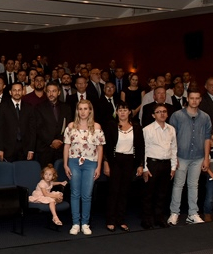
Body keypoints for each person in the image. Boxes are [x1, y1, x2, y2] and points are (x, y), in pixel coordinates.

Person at [168, 88, 212, 225]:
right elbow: (171, 138)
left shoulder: (205, 117)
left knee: (194, 185)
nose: (194, 101)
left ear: (200, 99)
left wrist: (206, 158)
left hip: (198, 156)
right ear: (187, 99)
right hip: (181, 156)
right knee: (178, 185)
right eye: (192, 98)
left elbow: (207, 138)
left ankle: (192, 213)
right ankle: (174, 213)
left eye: (197, 98)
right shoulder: (177, 116)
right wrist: (174, 157)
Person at [63, 100, 105, 235]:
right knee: (75, 194)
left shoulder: (96, 127)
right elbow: (66, 146)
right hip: (74, 162)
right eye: (80, 109)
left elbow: (100, 148)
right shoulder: (71, 126)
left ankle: (85, 223)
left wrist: (99, 167)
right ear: (77, 111)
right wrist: (65, 164)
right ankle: (75, 223)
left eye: (85, 109)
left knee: (87, 195)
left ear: (90, 110)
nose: (83, 112)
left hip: (90, 163)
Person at [102, 101, 144, 232]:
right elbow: (105, 146)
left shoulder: (136, 127)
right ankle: (110, 220)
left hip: (129, 161)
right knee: (113, 191)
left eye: (125, 110)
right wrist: (106, 162)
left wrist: (140, 165)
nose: (123, 112)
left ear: (129, 112)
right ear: (116, 112)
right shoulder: (111, 126)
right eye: (120, 110)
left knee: (124, 191)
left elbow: (141, 147)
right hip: (114, 160)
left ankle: (121, 219)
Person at [141, 104, 177, 229]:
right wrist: (145, 168)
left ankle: (159, 218)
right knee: (148, 194)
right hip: (152, 163)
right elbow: (143, 150)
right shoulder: (147, 129)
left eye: (164, 111)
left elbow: (174, 148)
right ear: (153, 115)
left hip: (166, 163)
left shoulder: (171, 129)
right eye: (158, 112)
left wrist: (173, 167)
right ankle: (146, 220)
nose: (162, 114)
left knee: (162, 193)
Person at [33, 82, 72, 169]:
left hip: (61, 148)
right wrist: (51, 141)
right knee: (46, 174)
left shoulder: (66, 107)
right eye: (48, 91)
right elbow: (38, 128)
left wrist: (60, 140)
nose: (51, 94)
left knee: (61, 174)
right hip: (45, 148)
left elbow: (69, 126)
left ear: (59, 92)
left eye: (54, 91)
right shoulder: (39, 108)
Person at [0, 82, 35, 162]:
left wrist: (31, 149)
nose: (17, 92)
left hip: (25, 149)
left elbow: (32, 130)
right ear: (10, 92)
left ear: (23, 92)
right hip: (7, 149)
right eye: (14, 90)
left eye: (19, 90)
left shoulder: (29, 107)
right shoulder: (3, 106)